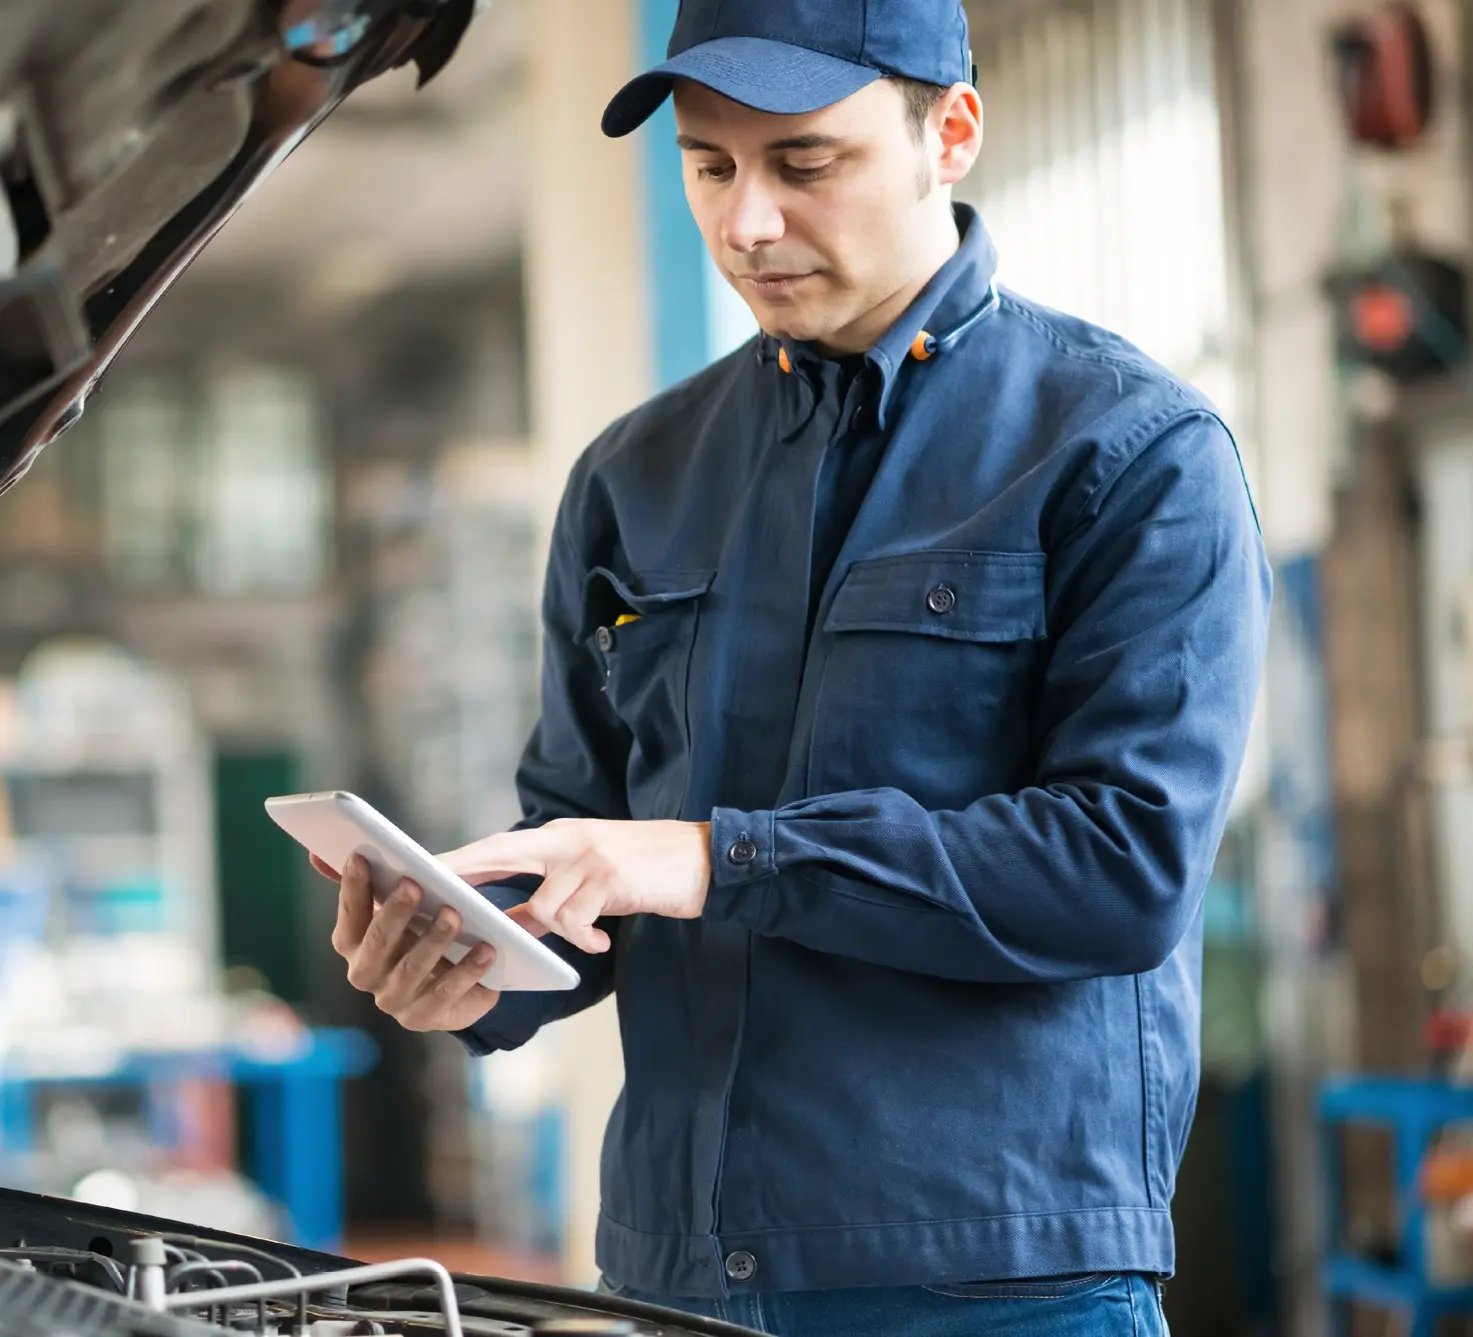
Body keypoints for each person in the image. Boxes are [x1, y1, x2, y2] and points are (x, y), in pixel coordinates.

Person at [319, 1, 1272, 1332]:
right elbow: (580, 843)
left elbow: (1122, 869)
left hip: (989, 1281)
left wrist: (716, 854)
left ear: (951, 132)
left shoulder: (1129, 454)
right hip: (674, 1275)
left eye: (803, 165)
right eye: (709, 166)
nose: (745, 222)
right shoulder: (633, 478)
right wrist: (477, 961)